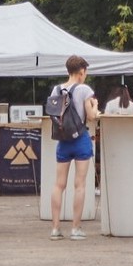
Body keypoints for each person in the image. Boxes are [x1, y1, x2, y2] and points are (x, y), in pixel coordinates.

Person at [49, 55, 101, 239]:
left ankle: (55, 229)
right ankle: (75, 229)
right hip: (80, 140)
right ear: (81, 72)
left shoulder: (56, 90)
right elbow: (92, 116)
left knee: (58, 185)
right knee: (79, 185)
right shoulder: (84, 89)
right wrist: (95, 106)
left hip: (63, 141)